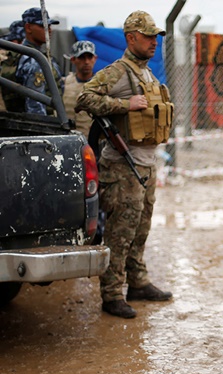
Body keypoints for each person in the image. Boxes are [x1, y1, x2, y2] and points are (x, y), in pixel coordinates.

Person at [76, 11, 174, 318]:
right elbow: (84, 97)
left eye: (156, 36)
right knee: (120, 232)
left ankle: (139, 282)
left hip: (146, 165)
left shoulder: (147, 74)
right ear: (130, 38)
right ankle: (112, 294)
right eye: (147, 36)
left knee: (141, 227)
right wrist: (123, 105)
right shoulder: (118, 71)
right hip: (122, 166)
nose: (154, 42)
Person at [15, 7, 64, 115]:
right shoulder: (34, 60)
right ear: (28, 28)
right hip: (44, 124)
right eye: (43, 26)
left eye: (49, 25)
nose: (49, 29)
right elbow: (35, 105)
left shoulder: (38, 55)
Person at [63, 40, 97, 138]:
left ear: (95, 58)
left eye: (89, 57)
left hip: (91, 142)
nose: (86, 62)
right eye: (81, 57)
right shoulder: (64, 83)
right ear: (73, 59)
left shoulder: (101, 86)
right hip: (67, 139)